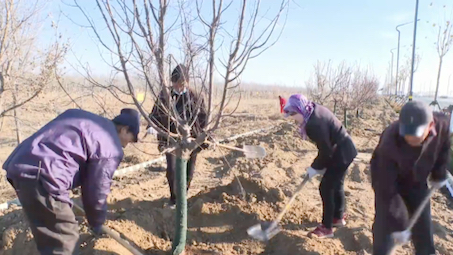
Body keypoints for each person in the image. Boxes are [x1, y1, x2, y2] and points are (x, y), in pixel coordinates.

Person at [2, 108, 140, 255]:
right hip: (44, 176)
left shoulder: (82, 118)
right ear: (124, 129)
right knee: (65, 240)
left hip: (19, 167)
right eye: (130, 140)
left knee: (52, 238)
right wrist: (97, 222)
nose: (126, 145)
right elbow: (96, 189)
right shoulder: (110, 145)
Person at [370, 100, 450, 255]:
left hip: (417, 180)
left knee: (423, 227)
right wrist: (399, 225)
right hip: (389, 180)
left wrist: (439, 173)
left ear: (430, 126)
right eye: (406, 132)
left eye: (417, 133)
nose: (410, 137)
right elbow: (385, 189)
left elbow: (444, 146)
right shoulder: (389, 141)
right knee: (385, 224)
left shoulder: (442, 125)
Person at [282, 94, 358, 238]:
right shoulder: (313, 110)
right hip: (344, 148)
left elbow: (326, 150)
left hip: (341, 152)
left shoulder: (313, 124)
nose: (293, 119)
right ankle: (338, 217)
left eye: (293, 114)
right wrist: (319, 166)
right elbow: (327, 147)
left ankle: (327, 227)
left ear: (300, 109)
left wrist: (314, 167)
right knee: (336, 184)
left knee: (326, 187)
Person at [149, 64, 208, 208]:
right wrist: (152, 126)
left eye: (181, 83)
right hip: (171, 141)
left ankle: (183, 197)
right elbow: (155, 113)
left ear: (186, 82)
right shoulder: (165, 96)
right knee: (172, 171)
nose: (178, 86)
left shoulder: (196, 96)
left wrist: (205, 136)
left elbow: (203, 118)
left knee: (189, 171)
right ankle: (174, 199)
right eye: (175, 83)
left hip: (190, 141)